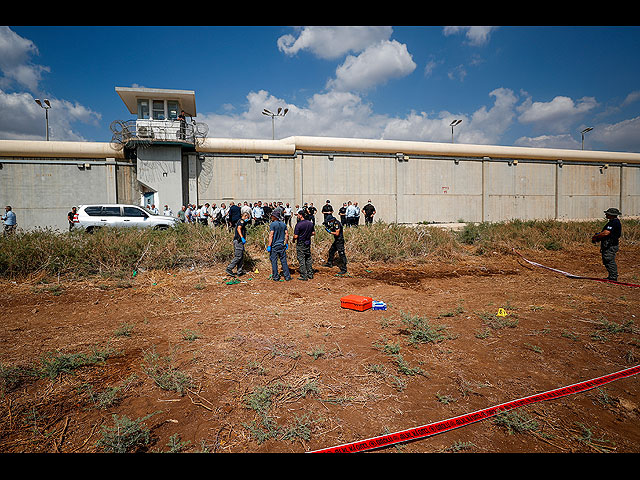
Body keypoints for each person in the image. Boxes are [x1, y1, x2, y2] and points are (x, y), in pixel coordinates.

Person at [591, 207, 622, 281]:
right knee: (606, 260)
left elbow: (606, 233)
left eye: (607, 214)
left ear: (611, 215)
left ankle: (613, 277)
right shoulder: (613, 222)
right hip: (609, 245)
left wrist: (596, 237)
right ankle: (611, 276)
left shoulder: (613, 222)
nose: (606, 214)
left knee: (609, 260)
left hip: (610, 245)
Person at [267, 210, 291, 281]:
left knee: (274, 261)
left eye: (272, 216)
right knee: (283, 261)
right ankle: (287, 276)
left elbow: (271, 235)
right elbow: (287, 235)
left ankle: (276, 277)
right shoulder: (283, 224)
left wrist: (269, 245)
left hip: (274, 245)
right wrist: (286, 243)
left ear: (275, 217)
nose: (271, 217)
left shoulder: (273, 224)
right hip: (282, 245)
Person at [226, 212, 250, 277]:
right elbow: (238, 229)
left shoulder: (242, 222)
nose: (248, 219)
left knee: (241, 257)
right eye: (247, 217)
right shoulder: (241, 221)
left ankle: (239, 271)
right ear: (245, 216)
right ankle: (229, 268)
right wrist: (242, 237)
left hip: (240, 242)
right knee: (238, 256)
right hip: (238, 241)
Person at [293, 209, 315, 280]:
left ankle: (304, 275)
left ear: (301, 215)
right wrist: (307, 235)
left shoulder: (299, 224)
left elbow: (295, 236)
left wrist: (293, 240)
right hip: (308, 242)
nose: (298, 216)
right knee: (308, 258)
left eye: (298, 215)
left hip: (301, 243)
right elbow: (313, 233)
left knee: (301, 258)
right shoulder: (310, 223)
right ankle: (310, 274)